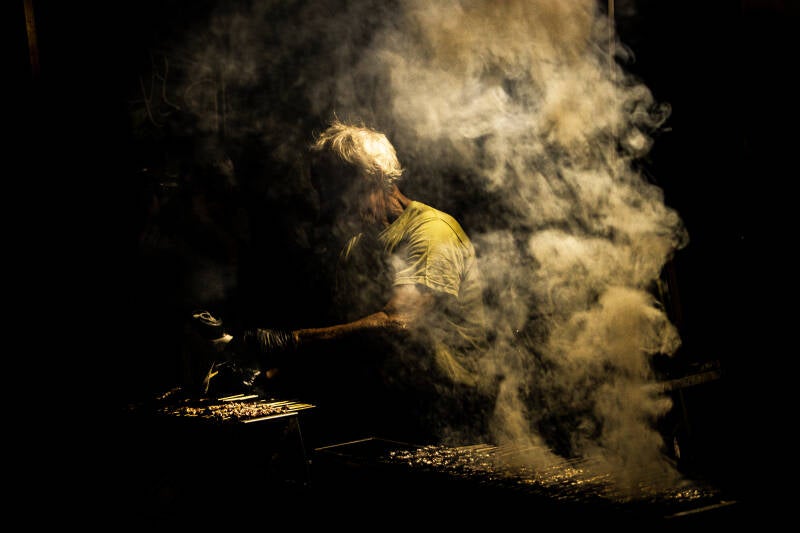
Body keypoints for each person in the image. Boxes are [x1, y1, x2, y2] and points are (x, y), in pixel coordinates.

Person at [215, 119, 497, 446]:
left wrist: (291, 341)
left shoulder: (431, 232)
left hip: (449, 412)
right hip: (390, 409)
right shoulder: (357, 244)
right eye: (320, 191)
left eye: (333, 192)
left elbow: (398, 322)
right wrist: (270, 377)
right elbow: (347, 334)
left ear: (372, 179)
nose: (325, 205)